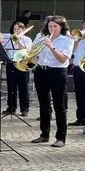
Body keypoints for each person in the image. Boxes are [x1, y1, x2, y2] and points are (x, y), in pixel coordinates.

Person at [31, 15, 74, 147]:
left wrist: (51, 46)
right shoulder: (40, 36)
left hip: (58, 72)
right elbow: (32, 52)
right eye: (50, 26)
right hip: (41, 71)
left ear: (61, 27)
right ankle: (44, 134)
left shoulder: (67, 39)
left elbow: (62, 59)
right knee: (43, 105)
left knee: (59, 106)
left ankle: (61, 137)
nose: (52, 29)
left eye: (55, 26)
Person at [4, 22, 32, 116]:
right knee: (11, 87)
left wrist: (18, 41)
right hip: (11, 63)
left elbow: (26, 51)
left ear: (23, 30)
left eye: (18, 29)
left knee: (23, 87)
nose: (15, 31)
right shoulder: (9, 39)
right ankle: (11, 107)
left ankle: (24, 109)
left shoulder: (27, 39)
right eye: (14, 29)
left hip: (22, 64)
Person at [70, 22, 85, 126]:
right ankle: (80, 118)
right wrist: (76, 40)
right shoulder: (80, 40)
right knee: (79, 94)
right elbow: (73, 51)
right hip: (78, 68)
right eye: (84, 26)